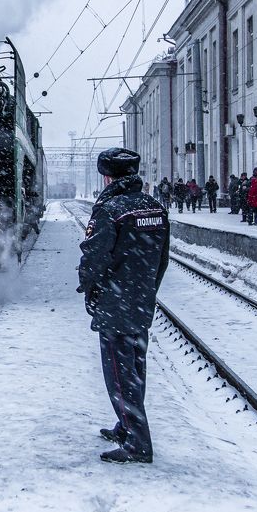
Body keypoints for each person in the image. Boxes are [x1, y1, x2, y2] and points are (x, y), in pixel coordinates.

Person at [77, 148, 168, 464]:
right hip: (141, 299)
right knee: (135, 368)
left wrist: (90, 287)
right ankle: (126, 427)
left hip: (115, 301)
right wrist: (146, 290)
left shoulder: (110, 209)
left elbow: (95, 257)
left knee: (118, 373)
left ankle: (138, 444)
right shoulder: (155, 208)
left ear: (108, 176)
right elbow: (162, 260)